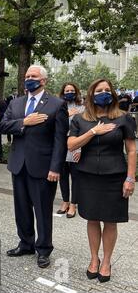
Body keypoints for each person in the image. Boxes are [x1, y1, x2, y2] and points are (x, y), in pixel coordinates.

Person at [0, 65, 68, 269]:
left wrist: (55, 167)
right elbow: (3, 125)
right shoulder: (16, 103)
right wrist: (24, 122)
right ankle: (26, 243)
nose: (29, 78)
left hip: (43, 167)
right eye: (27, 76)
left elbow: (60, 141)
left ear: (43, 80)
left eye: (34, 76)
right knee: (21, 208)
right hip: (18, 165)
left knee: (42, 210)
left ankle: (44, 249)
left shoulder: (57, 104)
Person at [68, 79, 136, 283]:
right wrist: (92, 132)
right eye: (99, 90)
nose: (104, 93)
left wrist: (130, 178)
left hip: (115, 176)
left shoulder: (123, 118)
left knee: (110, 221)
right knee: (92, 218)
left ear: (113, 94)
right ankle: (93, 259)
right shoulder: (80, 119)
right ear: (91, 94)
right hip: (87, 176)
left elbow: (132, 150)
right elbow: (71, 145)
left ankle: (106, 262)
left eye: (107, 90)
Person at [56, 83, 85, 218]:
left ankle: (74, 204)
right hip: (61, 145)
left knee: (76, 177)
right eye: (67, 90)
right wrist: (67, 114)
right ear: (63, 92)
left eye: (72, 90)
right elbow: (54, 124)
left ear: (76, 92)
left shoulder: (82, 107)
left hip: (76, 144)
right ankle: (65, 201)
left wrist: (80, 147)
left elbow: (85, 128)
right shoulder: (58, 106)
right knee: (62, 176)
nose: (69, 92)